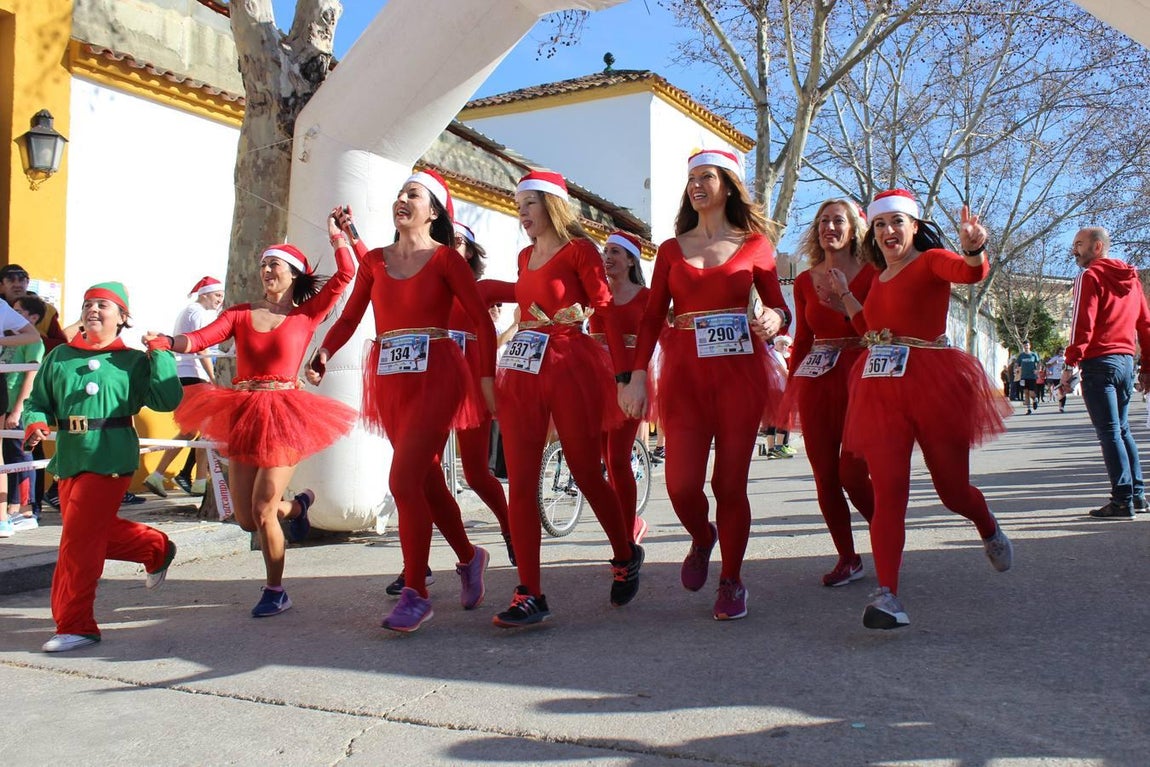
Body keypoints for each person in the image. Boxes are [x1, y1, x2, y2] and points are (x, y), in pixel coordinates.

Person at [309, 173, 496, 633]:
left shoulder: (446, 260)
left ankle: (416, 592)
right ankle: (470, 557)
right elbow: (350, 318)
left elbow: (482, 322)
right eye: (400, 193)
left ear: (434, 212)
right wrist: (324, 352)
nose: (402, 199)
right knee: (426, 481)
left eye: (413, 194)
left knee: (402, 479)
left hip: (438, 377)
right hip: (391, 382)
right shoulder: (374, 261)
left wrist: (487, 379)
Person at [145, 218, 356, 618]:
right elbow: (200, 339)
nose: (266, 270)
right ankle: (297, 509)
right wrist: (168, 341)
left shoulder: (306, 314)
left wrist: (338, 236)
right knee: (246, 519)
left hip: (285, 413)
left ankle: (275, 590)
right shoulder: (240, 313)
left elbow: (346, 274)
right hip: (244, 412)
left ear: (294, 274)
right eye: (263, 265)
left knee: (262, 509)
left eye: (274, 264)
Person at [827, 189, 1013, 630]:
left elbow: (969, 272)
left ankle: (986, 524)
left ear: (914, 226)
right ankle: (887, 594)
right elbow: (871, 330)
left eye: (897, 222)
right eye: (879, 224)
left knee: (952, 491)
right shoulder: (878, 277)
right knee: (889, 491)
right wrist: (846, 297)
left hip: (934, 384)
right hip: (881, 389)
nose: (888, 231)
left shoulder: (931, 262)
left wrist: (974, 249)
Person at [619, 149, 790, 621]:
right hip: (685, 375)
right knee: (681, 484)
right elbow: (652, 317)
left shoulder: (755, 244)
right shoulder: (672, 249)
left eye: (707, 177)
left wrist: (776, 318)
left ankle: (732, 580)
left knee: (730, 484)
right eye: (691, 177)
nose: (696, 185)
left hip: (740, 373)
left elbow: (779, 306)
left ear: (729, 185)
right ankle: (702, 536)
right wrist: (636, 376)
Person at [483, 170, 643, 628]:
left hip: (572, 365)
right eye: (518, 207)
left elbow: (606, 309)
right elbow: (521, 302)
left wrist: (623, 376)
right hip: (524, 368)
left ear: (551, 205)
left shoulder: (580, 250)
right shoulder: (523, 256)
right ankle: (529, 593)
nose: (521, 214)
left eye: (528, 204)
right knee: (520, 480)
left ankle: (624, 553)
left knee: (585, 470)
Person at [24, 282, 182, 651]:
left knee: (77, 544)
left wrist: (160, 355)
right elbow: (38, 402)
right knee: (86, 534)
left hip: (111, 457)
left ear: (122, 317)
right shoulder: (60, 356)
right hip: (70, 458)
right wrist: (35, 422)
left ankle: (76, 625)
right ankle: (155, 548)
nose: (93, 310)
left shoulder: (133, 361)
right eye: (88, 304)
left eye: (102, 305)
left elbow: (167, 399)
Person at [782, 199, 878, 587]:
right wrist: (791, 384)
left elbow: (875, 329)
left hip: (861, 376)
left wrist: (844, 302)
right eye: (823, 221)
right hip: (817, 381)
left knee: (852, 474)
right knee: (824, 476)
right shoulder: (805, 281)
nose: (829, 227)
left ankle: (886, 534)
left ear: (854, 229)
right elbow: (803, 338)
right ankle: (847, 558)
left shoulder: (873, 273)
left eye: (838, 221)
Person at [1061, 227, 1150, 519]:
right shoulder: (1132, 280)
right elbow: (1145, 324)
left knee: (1110, 432)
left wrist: (1069, 364)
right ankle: (1137, 496)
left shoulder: (1090, 276)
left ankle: (1122, 500)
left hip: (1099, 362)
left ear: (1097, 247)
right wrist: (1147, 366)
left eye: (1079, 244)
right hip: (1125, 361)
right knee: (1122, 430)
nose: (1074, 250)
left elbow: (1082, 323)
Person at [448, 220, 513, 562]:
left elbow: (529, 288)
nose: (448, 244)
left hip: (473, 389)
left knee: (475, 474)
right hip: (431, 387)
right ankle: (415, 566)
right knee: (419, 476)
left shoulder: (482, 289)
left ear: (470, 252)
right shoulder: (427, 288)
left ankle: (510, 527)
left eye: (457, 240)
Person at [589, 230, 651, 544]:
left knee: (617, 458)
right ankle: (632, 522)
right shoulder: (595, 294)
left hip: (631, 380)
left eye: (615, 252)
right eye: (605, 251)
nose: (607, 257)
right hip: (596, 381)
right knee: (605, 460)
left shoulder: (646, 296)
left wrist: (638, 380)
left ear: (630, 260)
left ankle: (626, 535)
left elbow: (657, 338)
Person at [144, 277, 224, 498]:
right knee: (205, 431)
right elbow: (201, 346)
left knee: (192, 431)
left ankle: (165, 476)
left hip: (185, 376)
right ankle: (196, 480)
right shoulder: (197, 312)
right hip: (195, 377)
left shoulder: (188, 312)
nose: (220, 300)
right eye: (217, 295)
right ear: (205, 294)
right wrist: (213, 378)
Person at [3, 294, 47, 533]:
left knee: (23, 458)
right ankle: (12, 508)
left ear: (34, 317)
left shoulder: (33, 342)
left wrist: (18, 409)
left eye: (19, 313)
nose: (14, 317)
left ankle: (27, 510)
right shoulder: (10, 341)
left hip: (18, 409)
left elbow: (30, 375)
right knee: (9, 459)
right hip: (6, 406)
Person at [763, 334, 795, 459]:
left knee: (773, 420)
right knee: (783, 418)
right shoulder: (775, 355)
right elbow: (784, 373)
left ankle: (772, 449)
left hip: (775, 389)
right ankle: (778, 447)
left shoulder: (775, 355)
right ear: (775, 343)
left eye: (786, 345)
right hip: (778, 390)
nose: (784, 346)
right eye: (781, 343)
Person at [1016, 341, 1041, 414]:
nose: (1026, 347)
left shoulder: (1033, 354)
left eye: (1027, 345)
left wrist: (1037, 370)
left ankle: (1035, 399)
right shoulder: (1021, 355)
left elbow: (1038, 363)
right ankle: (1028, 409)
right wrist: (1017, 369)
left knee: (1031, 393)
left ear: (1030, 346)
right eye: (1024, 345)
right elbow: (1017, 364)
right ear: (1023, 346)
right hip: (1023, 377)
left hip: (1032, 376)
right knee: (1026, 393)